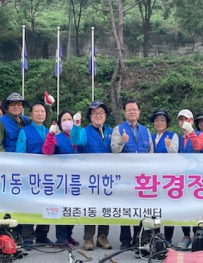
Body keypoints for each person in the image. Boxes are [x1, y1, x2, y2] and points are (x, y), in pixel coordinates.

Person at [70, 100, 113, 250]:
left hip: (107, 178)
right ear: (90, 116)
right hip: (89, 178)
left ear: (105, 115)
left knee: (106, 207)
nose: (98, 115)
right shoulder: (84, 131)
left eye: (101, 112)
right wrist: (76, 125)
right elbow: (75, 139)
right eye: (94, 113)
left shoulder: (111, 131)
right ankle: (88, 238)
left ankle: (103, 236)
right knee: (91, 207)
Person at [111, 100, 154, 249]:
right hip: (125, 177)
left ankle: (138, 239)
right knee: (125, 208)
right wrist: (121, 142)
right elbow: (114, 150)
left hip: (141, 178)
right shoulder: (118, 129)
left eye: (134, 110)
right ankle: (125, 240)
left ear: (139, 112)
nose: (132, 112)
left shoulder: (145, 130)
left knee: (139, 209)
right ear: (125, 113)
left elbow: (151, 152)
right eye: (129, 110)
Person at [15, 101, 52, 248]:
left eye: (42, 111)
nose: (40, 114)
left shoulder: (49, 131)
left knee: (46, 203)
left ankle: (42, 234)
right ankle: (28, 236)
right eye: (36, 111)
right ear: (31, 114)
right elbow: (20, 153)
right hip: (30, 175)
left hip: (47, 175)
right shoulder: (25, 131)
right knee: (28, 204)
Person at [42, 110, 80, 248]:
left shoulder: (79, 136)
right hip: (62, 181)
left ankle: (69, 235)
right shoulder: (57, 137)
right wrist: (50, 135)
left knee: (74, 210)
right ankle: (61, 238)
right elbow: (47, 151)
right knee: (63, 209)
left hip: (78, 180)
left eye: (69, 119)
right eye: (64, 120)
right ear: (59, 123)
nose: (67, 122)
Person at [175, 109, 203, 248]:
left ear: (191, 121)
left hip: (196, 178)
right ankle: (186, 235)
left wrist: (191, 131)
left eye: (186, 119)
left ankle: (196, 235)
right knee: (183, 208)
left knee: (196, 207)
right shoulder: (177, 137)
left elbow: (198, 146)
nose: (183, 122)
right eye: (181, 119)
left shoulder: (199, 134)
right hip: (181, 177)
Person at [149, 110, 178, 243]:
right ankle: (156, 237)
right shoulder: (151, 136)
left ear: (167, 123)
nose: (159, 123)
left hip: (168, 178)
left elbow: (175, 154)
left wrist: (169, 146)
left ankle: (168, 239)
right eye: (156, 120)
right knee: (155, 208)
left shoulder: (173, 136)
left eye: (162, 120)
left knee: (168, 208)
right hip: (154, 177)